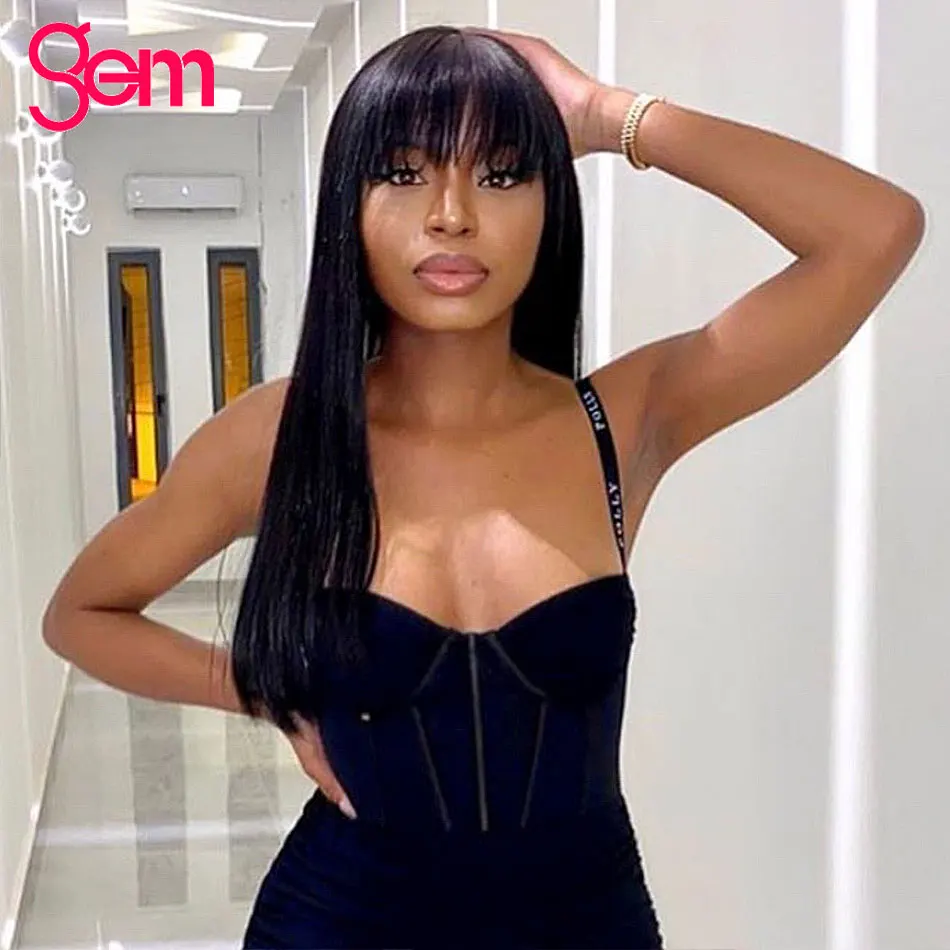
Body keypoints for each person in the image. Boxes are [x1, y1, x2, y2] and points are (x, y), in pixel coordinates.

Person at [42, 24, 924, 950]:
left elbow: (874, 231)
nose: (452, 214)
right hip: (337, 921)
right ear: (348, 204)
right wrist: (262, 693)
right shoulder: (282, 436)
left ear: (550, 204)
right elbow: (82, 614)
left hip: (587, 927)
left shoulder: (624, 421)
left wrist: (609, 117)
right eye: (404, 172)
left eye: (501, 174)